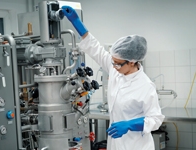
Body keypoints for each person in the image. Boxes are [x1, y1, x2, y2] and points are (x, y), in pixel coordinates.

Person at [62, 6, 165, 150]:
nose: (113, 66)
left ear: (132, 62)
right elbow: (95, 47)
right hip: (116, 144)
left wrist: (130, 125)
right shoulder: (117, 69)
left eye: (117, 63)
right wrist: (75, 21)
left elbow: (156, 119)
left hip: (136, 145)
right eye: (113, 61)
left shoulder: (145, 86)